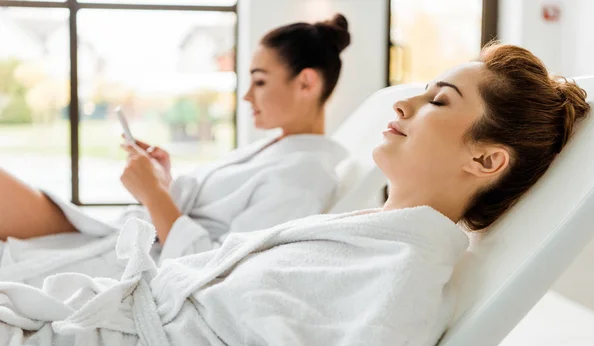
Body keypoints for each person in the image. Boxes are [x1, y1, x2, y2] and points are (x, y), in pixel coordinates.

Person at [0, 44, 590, 346]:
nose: (403, 104)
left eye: (438, 101)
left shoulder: (398, 283)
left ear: (485, 159)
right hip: (78, 338)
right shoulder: (365, 236)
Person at [0, 14, 351, 282]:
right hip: (120, 237)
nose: (247, 96)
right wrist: (163, 184)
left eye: (260, 81)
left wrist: (154, 195)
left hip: (134, 262)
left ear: (305, 82)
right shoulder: (277, 148)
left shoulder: (305, 175)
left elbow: (220, 270)